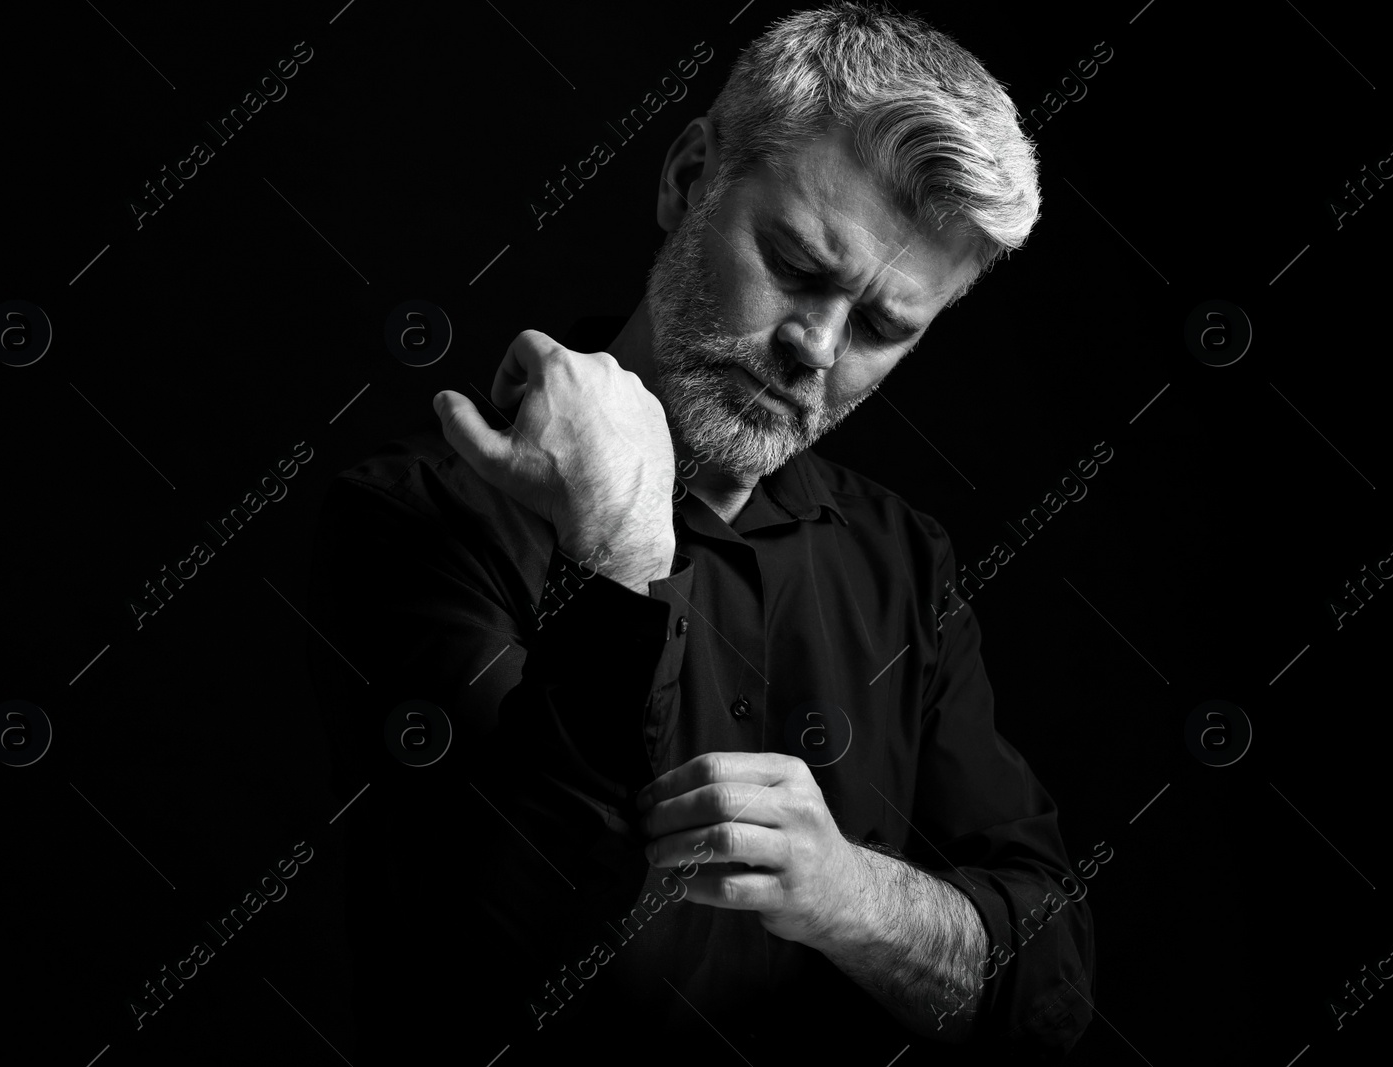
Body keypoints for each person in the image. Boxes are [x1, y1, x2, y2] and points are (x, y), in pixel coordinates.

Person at [307, 3, 1093, 1061]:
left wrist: (850, 892)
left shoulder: (905, 562)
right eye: (796, 265)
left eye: (880, 328)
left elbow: (1051, 985)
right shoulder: (420, 517)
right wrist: (621, 563)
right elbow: (482, 977)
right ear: (688, 178)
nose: (815, 348)